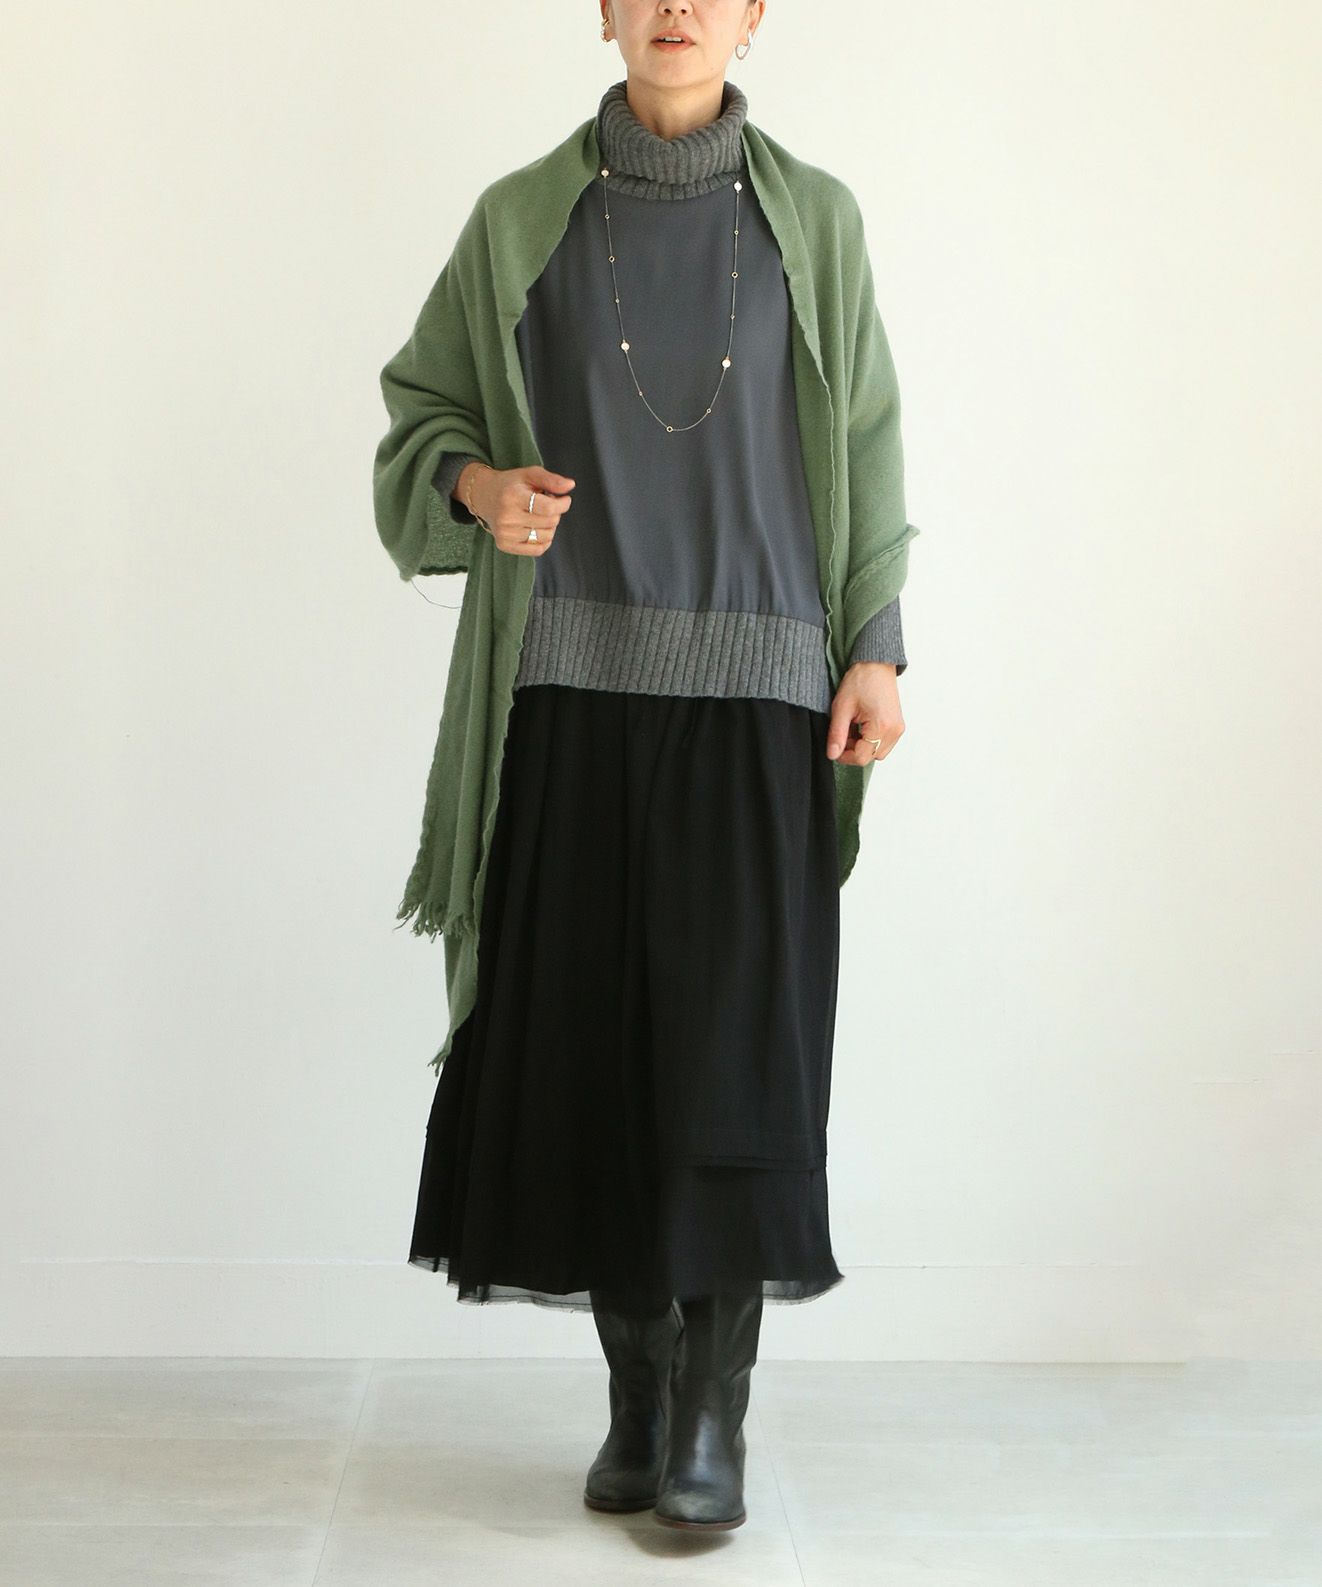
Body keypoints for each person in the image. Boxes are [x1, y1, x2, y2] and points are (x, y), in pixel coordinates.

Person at [373, 0, 918, 1534]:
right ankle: (636, 1404)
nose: (676, 7)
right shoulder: (519, 221)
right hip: (564, 694)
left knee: (731, 1067)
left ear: (751, 16)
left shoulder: (814, 221)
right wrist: (477, 486)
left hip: (759, 699)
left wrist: (874, 645)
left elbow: (868, 441)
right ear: (606, 12)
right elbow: (419, 417)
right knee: (594, 1059)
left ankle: (710, 1423)